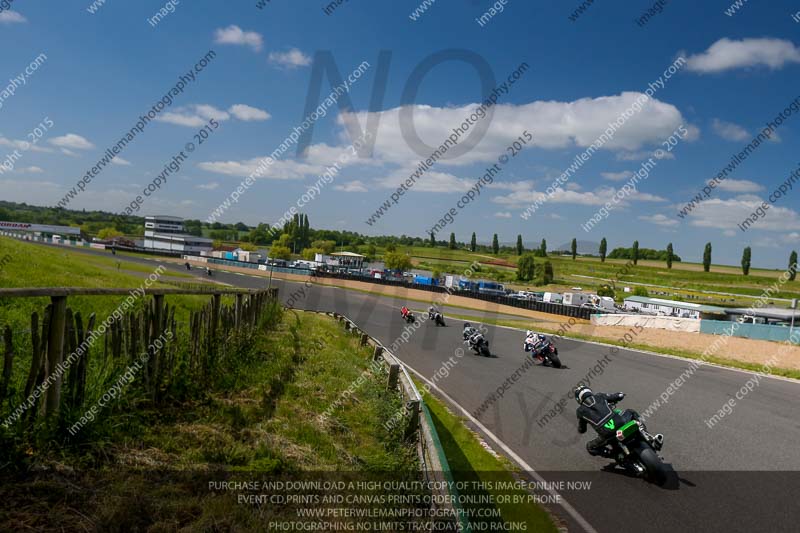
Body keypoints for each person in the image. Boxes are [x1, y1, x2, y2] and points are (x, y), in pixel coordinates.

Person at [574, 386, 661, 459]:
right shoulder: (599, 396)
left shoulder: (580, 411)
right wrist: (621, 394)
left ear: (579, 399)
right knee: (630, 412)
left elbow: (582, 430)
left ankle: (615, 455)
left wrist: (580, 428)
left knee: (590, 447)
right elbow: (616, 396)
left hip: (606, 434)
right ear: (590, 391)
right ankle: (647, 436)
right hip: (619, 422)